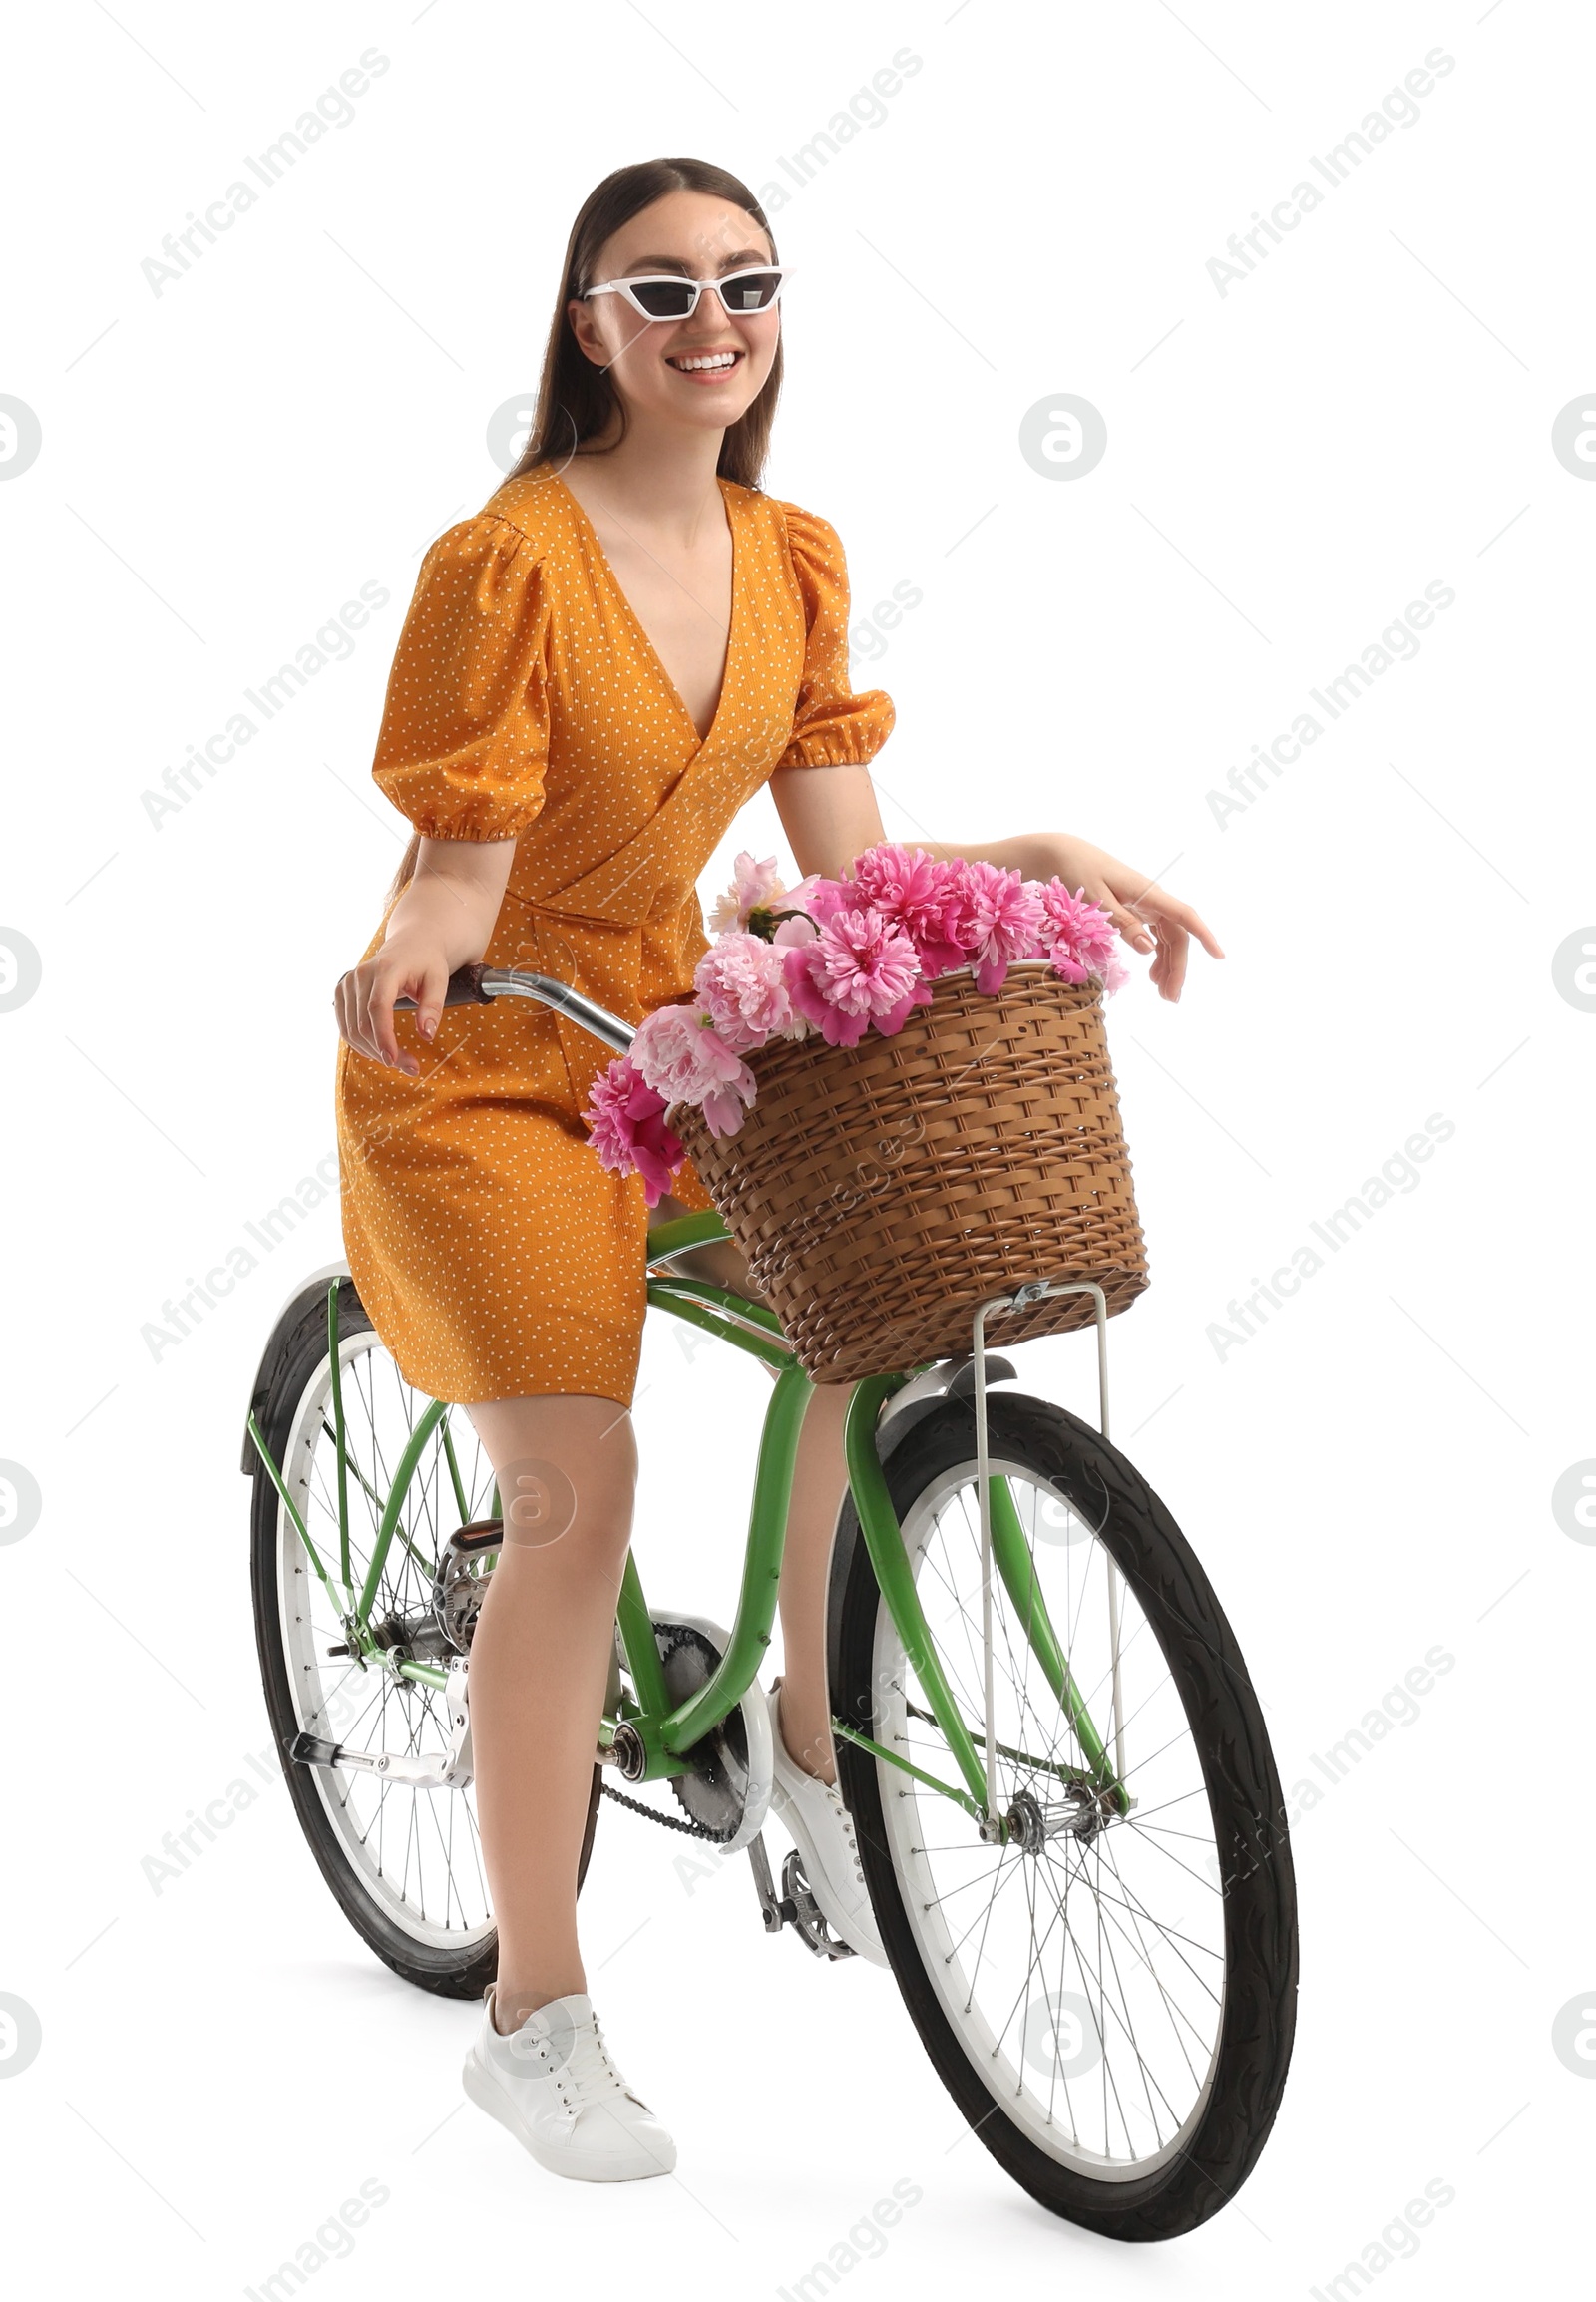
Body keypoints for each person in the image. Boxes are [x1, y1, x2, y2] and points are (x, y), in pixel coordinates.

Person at [333, 156, 1222, 2183]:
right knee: (584, 1485)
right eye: (658, 291)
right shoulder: (506, 565)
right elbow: (461, 863)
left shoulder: (787, 550)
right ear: (585, 326)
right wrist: (416, 934)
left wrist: (1042, 857)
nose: (708, 320)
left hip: (679, 1049)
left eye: (744, 282)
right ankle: (533, 2007)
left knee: (878, 1299)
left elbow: (852, 871)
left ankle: (813, 1754)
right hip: (486, 1071)